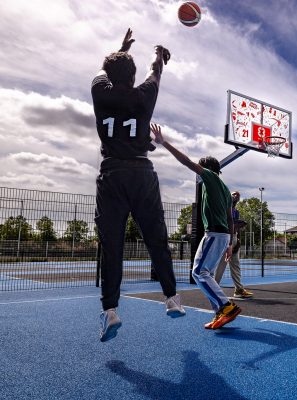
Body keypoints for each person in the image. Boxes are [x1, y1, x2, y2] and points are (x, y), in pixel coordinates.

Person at [91, 29, 185, 342]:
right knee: (156, 238)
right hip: (142, 174)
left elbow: (104, 70)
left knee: (112, 245)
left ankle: (111, 311)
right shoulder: (145, 94)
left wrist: (121, 48)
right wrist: (159, 53)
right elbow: (155, 71)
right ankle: (171, 298)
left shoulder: (99, 91)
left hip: (113, 174)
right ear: (133, 76)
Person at [150, 123, 241, 330]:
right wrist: (230, 243)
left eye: (200, 170)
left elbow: (187, 162)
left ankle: (226, 306)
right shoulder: (226, 190)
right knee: (204, 273)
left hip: (215, 233)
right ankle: (221, 311)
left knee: (199, 272)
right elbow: (230, 218)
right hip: (223, 235)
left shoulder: (209, 177)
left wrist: (164, 143)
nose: (198, 174)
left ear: (207, 169)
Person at [215, 191, 254, 299]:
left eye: (238, 195)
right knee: (221, 265)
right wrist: (229, 242)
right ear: (229, 197)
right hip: (225, 238)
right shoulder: (223, 209)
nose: (236, 196)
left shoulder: (236, 212)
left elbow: (234, 226)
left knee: (235, 265)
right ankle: (213, 289)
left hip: (234, 238)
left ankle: (239, 289)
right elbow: (226, 225)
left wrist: (237, 239)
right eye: (234, 194)